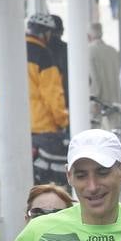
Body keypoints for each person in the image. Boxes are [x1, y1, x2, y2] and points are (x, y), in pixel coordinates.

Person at [26, 14, 69, 186]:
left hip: (17, 128)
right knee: (49, 180)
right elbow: (53, 95)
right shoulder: (44, 55)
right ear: (46, 34)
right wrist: (63, 120)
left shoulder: (11, 51)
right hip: (43, 128)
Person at [87, 23, 121, 131]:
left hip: (99, 105)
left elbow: (93, 81)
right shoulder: (113, 51)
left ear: (88, 36)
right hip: (115, 103)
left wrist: (93, 101)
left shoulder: (88, 52)